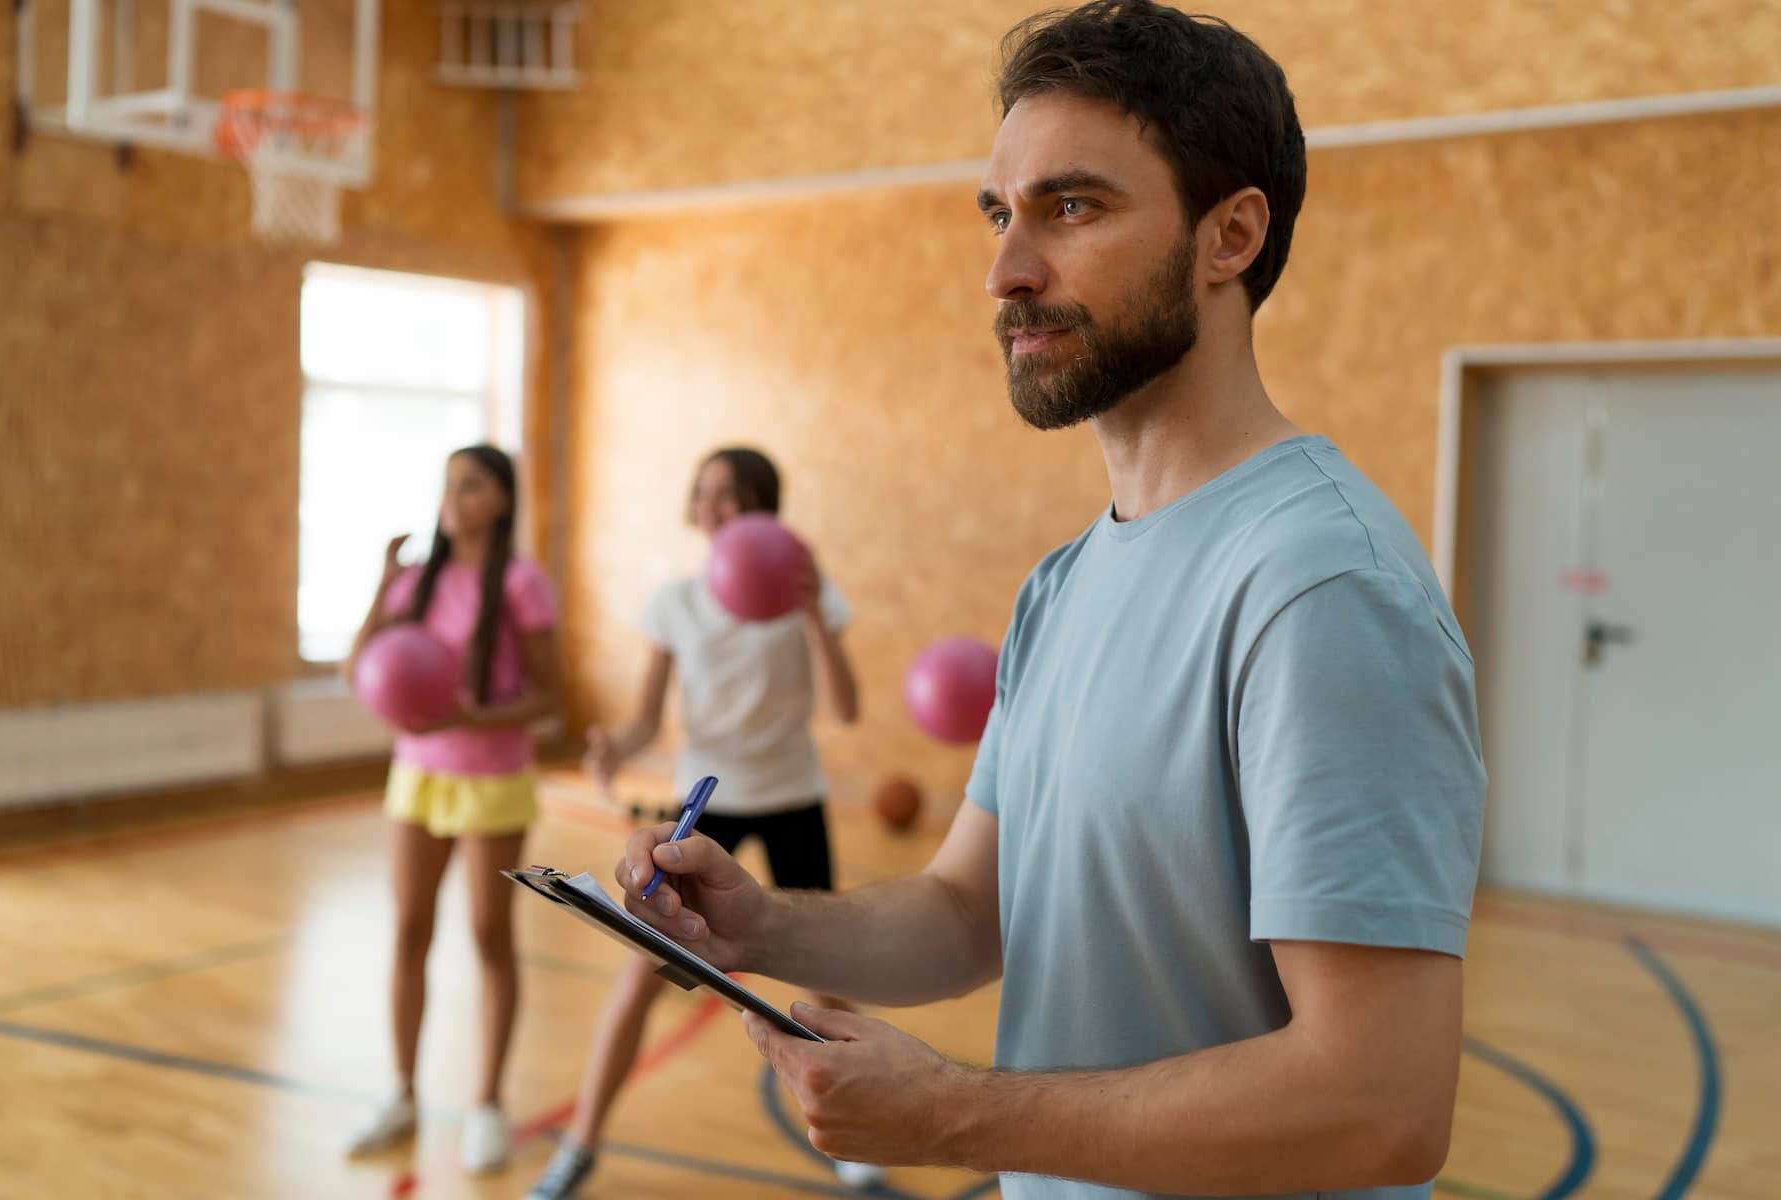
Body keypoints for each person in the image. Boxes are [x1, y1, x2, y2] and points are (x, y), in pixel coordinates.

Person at [610, 4, 1486, 1198]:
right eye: (1000, 213)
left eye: (1071, 207)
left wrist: (954, 1118)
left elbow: (1378, 1107)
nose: (1006, 272)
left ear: (1230, 236)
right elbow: (970, 912)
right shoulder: (1064, 583)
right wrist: (758, 928)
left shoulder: (1322, 587)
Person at [524, 446, 882, 1199]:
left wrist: (811, 611)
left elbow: (847, 708)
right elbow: (646, 719)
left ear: (764, 509)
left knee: (826, 980)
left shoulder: (808, 596)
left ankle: (861, 1138)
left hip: (793, 799)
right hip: (704, 807)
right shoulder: (677, 601)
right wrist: (614, 748)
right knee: (642, 974)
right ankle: (580, 1144)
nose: (715, 507)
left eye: (734, 494)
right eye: (706, 493)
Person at [344, 445, 561, 1176]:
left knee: (489, 935)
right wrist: (382, 585)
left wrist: (477, 716)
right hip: (418, 775)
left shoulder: (523, 581)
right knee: (410, 929)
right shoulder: (414, 581)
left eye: (470, 486)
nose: (453, 498)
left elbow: (548, 696)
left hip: (493, 780)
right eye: (448, 485)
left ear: (501, 500)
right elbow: (356, 670)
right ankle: (402, 1094)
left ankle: (487, 1106)